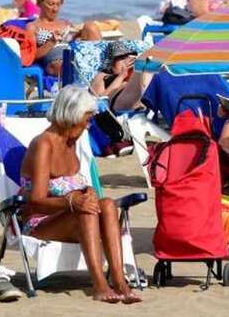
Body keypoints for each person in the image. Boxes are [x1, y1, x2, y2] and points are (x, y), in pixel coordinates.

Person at [19, 86, 141, 304]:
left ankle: (120, 279)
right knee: (85, 212)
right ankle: (99, 284)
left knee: (108, 204)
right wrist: (72, 201)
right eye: (86, 119)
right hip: (40, 222)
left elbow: (69, 186)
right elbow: (35, 201)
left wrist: (86, 192)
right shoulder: (43, 145)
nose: (88, 125)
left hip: (68, 216)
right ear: (71, 116)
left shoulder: (71, 143)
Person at [26, 0, 102, 76]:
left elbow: (79, 42)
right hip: (57, 62)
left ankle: (103, 63)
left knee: (90, 26)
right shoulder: (33, 26)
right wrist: (51, 43)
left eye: (58, 4)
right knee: (65, 64)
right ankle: (96, 70)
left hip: (74, 55)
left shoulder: (65, 23)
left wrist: (78, 35)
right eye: (51, 4)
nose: (55, 9)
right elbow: (30, 56)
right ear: (39, 3)